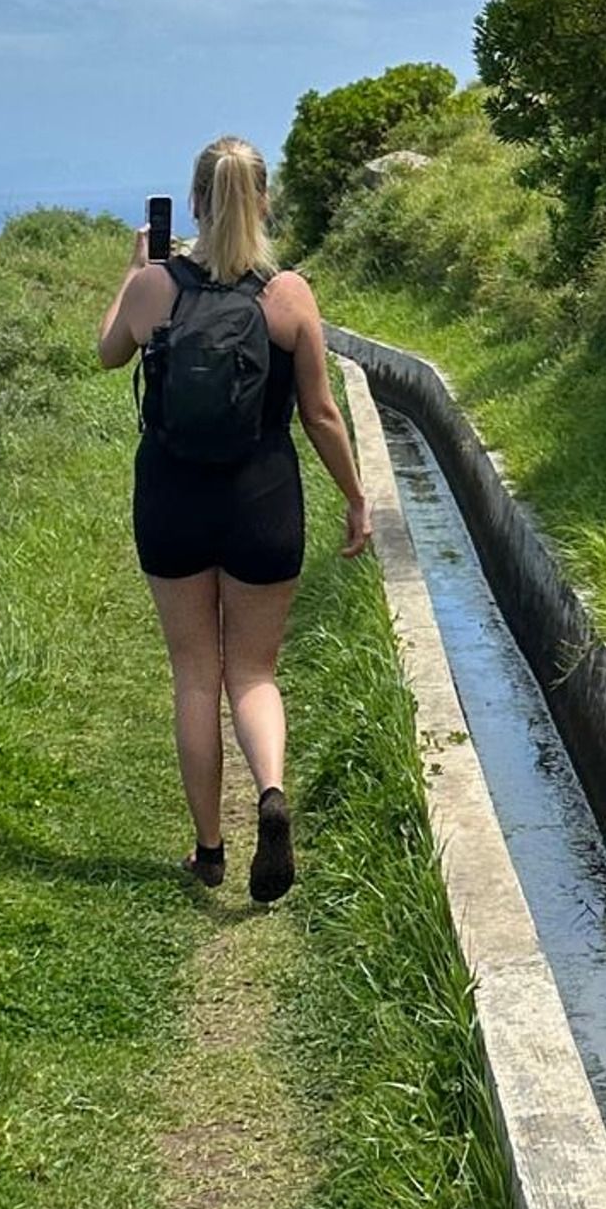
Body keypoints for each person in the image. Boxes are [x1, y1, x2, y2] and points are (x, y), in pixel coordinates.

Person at [97, 133, 370, 902]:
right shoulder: (289, 295)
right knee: (253, 671)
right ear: (263, 201)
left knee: (195, 674)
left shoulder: (154, 287)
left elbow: (108, 354)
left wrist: (132, 273)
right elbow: (319, 412)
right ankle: (273, 795)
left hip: (172, 499)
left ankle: (210, 849)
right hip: (264, 500)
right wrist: (353, 496)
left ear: (193, 204)